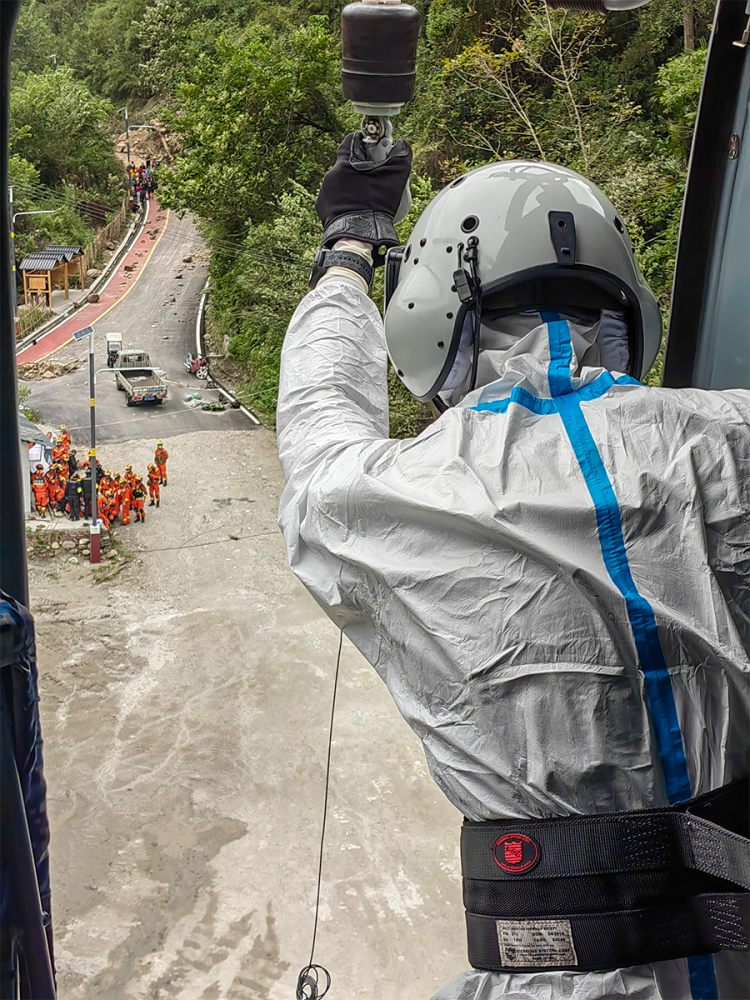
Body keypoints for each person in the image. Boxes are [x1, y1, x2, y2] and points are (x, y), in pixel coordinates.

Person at [276, 140, 750, 1000]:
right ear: (626, 302)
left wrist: (347, 254)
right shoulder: (730, 442)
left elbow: (320, 407)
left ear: (428, 311)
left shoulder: (394, 499)